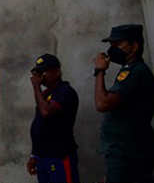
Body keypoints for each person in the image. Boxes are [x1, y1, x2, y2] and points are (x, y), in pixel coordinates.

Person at [94, 24, 154, 183]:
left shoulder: (136, 72)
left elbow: (102, 104)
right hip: (124, 153)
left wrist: (99, 71)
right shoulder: (128, 70)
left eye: (118, 44)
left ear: (134, 46)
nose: (112, 49)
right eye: (111, 45)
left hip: (128, 153)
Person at [27, 53, 80, 183]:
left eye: (44, 72)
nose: (41, 77)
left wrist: (36, 87)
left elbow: (46, 111)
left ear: (57, 72)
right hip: (43, 156)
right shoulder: (44, 94)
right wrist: (34, 154)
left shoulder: (65, 92)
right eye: (38, 73)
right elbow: (39, 125)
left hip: (59, 156)